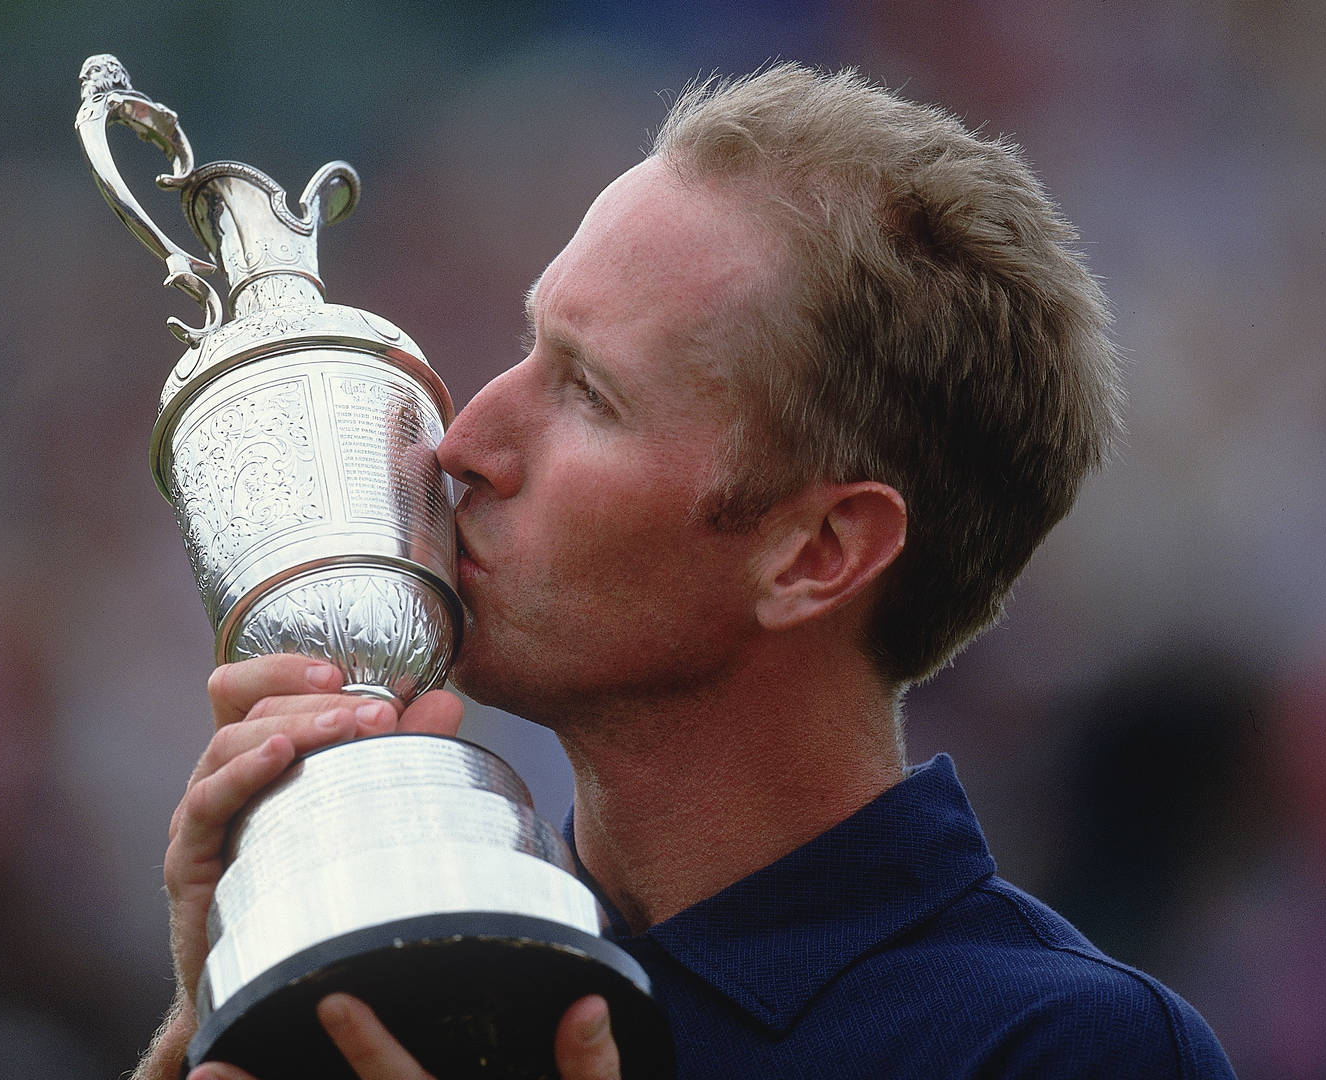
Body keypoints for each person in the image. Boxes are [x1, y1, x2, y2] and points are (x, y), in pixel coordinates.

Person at [132, 64, 1236, 1079]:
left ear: (817, 553)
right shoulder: (418, 943)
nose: (463, 440)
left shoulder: (1064, 1048)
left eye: (589, 395)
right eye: (529, 348)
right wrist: (218, 1005)